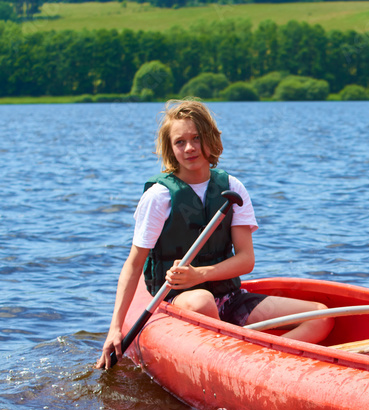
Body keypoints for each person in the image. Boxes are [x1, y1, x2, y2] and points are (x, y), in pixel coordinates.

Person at [96, 99, 332, 369]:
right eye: (180, 142)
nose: (190, 148)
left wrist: (202, 274)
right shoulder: (158, 197)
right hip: (180, 300)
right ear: (171, 149)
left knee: (321, 316)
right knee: (202, 300)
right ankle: (238, 353)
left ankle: (257, 362)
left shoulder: (232, 188)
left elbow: (246, 260)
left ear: (209, 138)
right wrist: (115, 327)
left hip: (229, 298)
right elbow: (134, 264)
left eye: (196, 138)